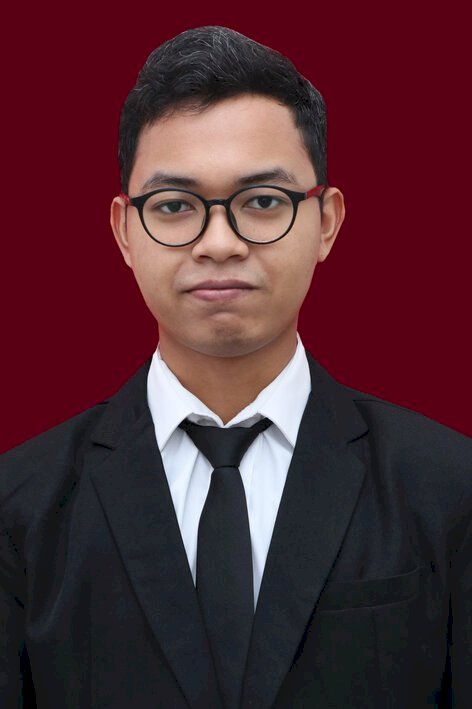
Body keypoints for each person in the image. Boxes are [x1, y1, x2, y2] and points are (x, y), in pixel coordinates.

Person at [0, 25, 470, 709]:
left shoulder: (448, 490)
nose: (219, 244)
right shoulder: (20, 508)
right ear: (124, 231)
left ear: (326, 221)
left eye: (262, 202)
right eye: (175, 206)